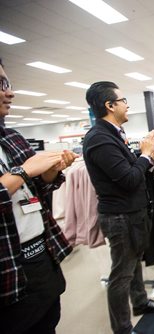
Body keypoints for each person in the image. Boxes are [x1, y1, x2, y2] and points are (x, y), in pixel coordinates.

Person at [83, 81, 154, 334]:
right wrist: (144, 155)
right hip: (120, 217)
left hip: (132, 213)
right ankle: (122, 328)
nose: (127, 105)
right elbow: (129, 178)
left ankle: (140, 302)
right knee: (121, 273)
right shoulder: (99, 138)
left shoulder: (112, 134)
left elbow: (132, 172)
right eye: (123, 101)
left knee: (133, 263)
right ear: (110, 105)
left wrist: (150, 158)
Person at [0, 57, 79, 333]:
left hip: (41, 264)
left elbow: (36, 194)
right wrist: (22, 172)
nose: (9, 92)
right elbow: (19, 178)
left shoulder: (12, 138)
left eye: (8, 83)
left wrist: (47, 175)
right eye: (0, 84)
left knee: (47, 322)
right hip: (8, 274)